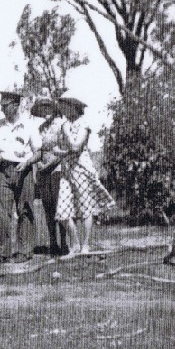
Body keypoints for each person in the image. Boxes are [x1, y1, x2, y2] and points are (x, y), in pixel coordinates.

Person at [0, 90, 42, 263]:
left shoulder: (29, 125)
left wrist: (28, 162)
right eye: (2, 106)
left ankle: (24, 251)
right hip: (4, 170)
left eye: (5, 106)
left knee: (25, 210)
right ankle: (3, 252)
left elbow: (38, 153)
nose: (3, 109)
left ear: (16, 105)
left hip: (24, 171)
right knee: (0, 213)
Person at [52, 96, 116, 255]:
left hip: (81, 169)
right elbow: (54, 147)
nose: (63, 109)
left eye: (65, 106)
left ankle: (85, 246)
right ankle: (74, 244)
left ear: (74, 107)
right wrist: (60, 149)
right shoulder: (64, 124)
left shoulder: (84, 123)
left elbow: (76, 146)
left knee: (85, 207)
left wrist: (65, 135)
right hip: (67, 169)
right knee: (62, 211)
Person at [30, 98, 69, 256]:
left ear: (53, 109)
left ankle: (64, 242)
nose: (45, 111)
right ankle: (53, 242)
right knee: (48, 208)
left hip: (58, 169)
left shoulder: (61, 125)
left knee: (60, 206)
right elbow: (37, 151)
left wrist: (47, 165)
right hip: (43, 172)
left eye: (48, 108)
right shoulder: (40, 128)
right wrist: (38, 165)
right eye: (42, 109)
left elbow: (63, 150)